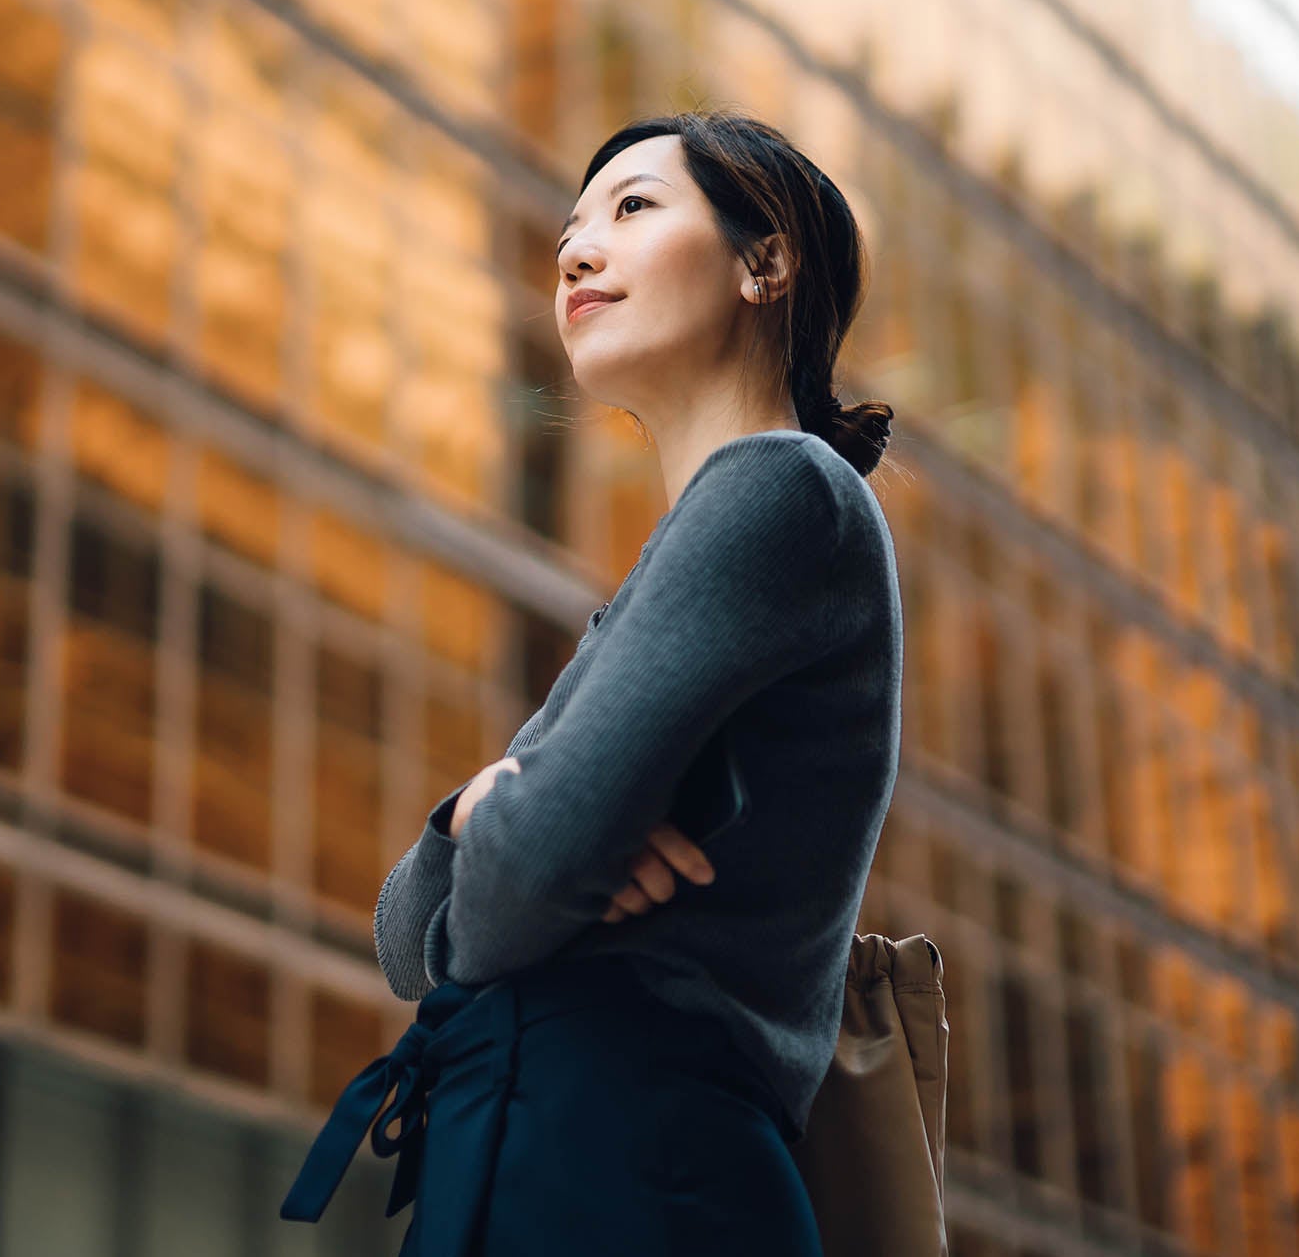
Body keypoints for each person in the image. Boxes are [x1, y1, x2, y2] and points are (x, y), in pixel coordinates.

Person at [281, 111, 905, 1255]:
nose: (574, 250)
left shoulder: (781, 491)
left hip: (623, 1156)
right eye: (571, 227)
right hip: (573, 1143)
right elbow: (405, 933)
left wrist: (526, 834)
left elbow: (527, 874)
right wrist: (479, 816)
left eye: (633, 208)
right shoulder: (682, 559)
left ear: (765, 263)